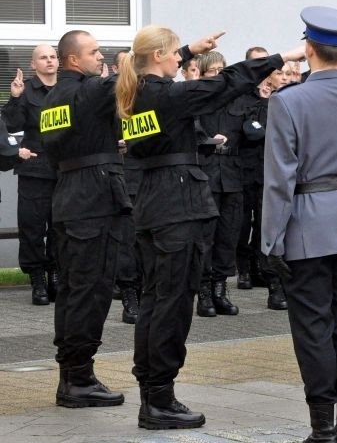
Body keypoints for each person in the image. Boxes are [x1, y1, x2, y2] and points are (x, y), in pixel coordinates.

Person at [115, 25, 303, 429]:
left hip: (153, 201)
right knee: (173, 302)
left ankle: (153, 390)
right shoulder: (164, 96)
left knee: (156, 299)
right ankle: (159, 399)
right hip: (176, 205)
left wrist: (184, 49)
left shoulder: (137, 89)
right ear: (162, 56)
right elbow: (228, 82)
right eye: (175, 54)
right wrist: (281, 57)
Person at [262, 6, 337, 443]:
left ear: (308, 49)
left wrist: (270, 240)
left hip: (307, 222)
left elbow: (279, 179)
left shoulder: (288, 100)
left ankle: (323, 426)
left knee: (314, 327)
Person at [39, 31, 130, 409]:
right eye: (94, 52)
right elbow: (131, 77)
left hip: (70, 197)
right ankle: (78, 379)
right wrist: (185, 51)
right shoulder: (87, 90)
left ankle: (74, 376)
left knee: (76, 292)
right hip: (91, 201)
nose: (100, 57)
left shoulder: (53, 98)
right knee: (90, 293)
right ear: (73, 60)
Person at [3, 45, 60, 305]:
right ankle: (37, 279)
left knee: (61, 227)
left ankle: (56, 275)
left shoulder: (68, 88)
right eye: (43, 58)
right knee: (32, 228)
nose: (49, 61)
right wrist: (15, 98)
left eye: (52, 57)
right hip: (35, 169)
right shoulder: (25, 90)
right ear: (33, 64)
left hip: (64, 168)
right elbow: (12, 125)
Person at [236, 47, 290, 311]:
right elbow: (250, 132)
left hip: (270, 174)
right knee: (243, 223)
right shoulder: (245, 99)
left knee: (266, 228)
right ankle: (244, 270)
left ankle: (272, 283)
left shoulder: (279, 101)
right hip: (246, 171)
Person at [194, 51, 244, 317]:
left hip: (233, 176)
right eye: (212, 70)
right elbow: (193, 133)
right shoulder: (197, 102)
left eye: (221, 70)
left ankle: (220, 289)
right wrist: (208, 140)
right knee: (206, 238)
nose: (217, 75)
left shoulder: (236, 101)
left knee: (228, 235)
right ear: (201, 74)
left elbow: (250, 132)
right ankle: (203, 292)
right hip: (207, 172)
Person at [112, 49, 142, 324]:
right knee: (128, 241)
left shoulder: (151, 96)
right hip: (124, 178)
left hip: (151, 177)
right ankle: (129, 295)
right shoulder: (111, 98)